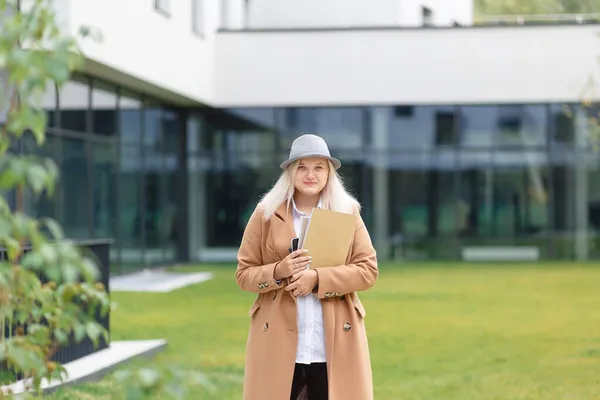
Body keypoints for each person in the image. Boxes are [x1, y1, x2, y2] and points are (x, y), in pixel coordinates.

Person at [235, 134, 379, 400]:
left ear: (328, 173)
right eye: (302, 167)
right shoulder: (266, 213)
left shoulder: (346, 211)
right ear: (290, 172)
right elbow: (244, 273)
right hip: (277, 338)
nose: (310, 174)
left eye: (318, 167)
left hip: (333, 340)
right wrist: (278, 271)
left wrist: (317, 279)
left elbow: (367, 269)